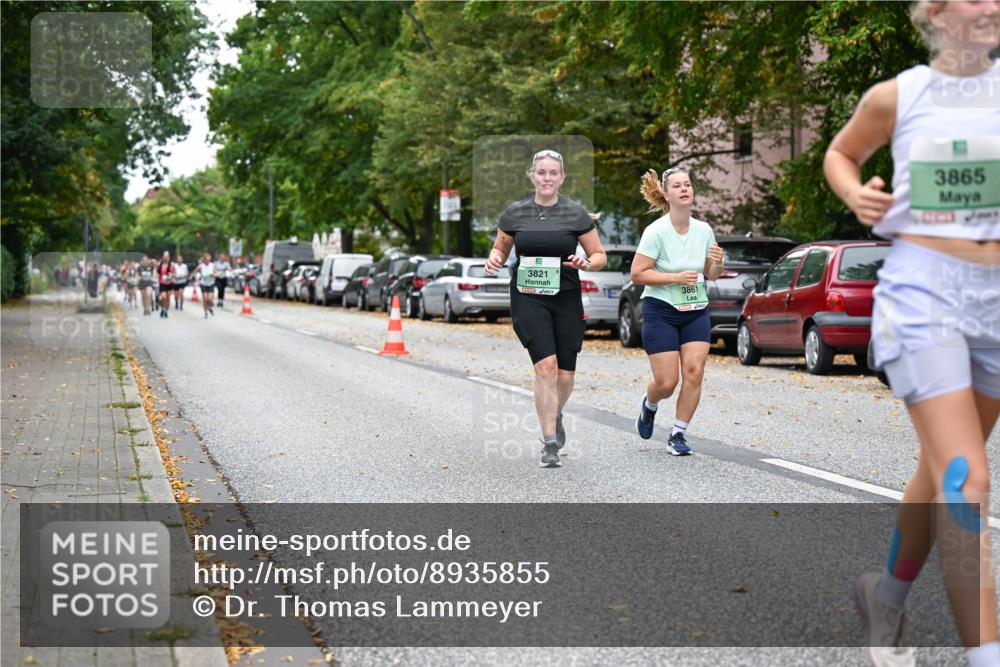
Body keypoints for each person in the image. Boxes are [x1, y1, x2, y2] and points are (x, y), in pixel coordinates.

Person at [824, 2, 1000, 666]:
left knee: (942, 469)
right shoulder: (898, 94)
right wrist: (855, 194)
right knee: (967, 475)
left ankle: (887, 595)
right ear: (934, 11)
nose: (989, 5)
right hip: (924, 288)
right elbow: (841, 153)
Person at [485, 149, 607, 468]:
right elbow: (501, 247)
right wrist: (495, 258)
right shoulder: (514, 213)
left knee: (565, 376)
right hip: (528, 296)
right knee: (546, 368)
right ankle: (549, 442)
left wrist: (587, 262)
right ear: (532, 176)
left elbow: (599, 256)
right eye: (542, 172)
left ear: (562, 178)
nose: (548, 178)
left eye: (554, 173)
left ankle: (556, 412)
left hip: (566, 295)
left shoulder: (575, 214)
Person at [630, 168, 724, 456]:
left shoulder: (704, 230)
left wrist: (717, 263)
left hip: (696, 308)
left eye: (688, 184)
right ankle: (650, 404)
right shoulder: (656, 232)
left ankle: (678, 434)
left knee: (694, 372)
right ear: (667, 194)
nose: (684, 189)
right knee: (667, 382)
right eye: (677, 186)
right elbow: (637, 274)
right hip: (662, 310)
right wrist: (674, 278)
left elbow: (711, 274)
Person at [194, 254, 216, 318]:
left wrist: (213, 276)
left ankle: (209, 307)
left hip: (211, 283)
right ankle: (206, 312)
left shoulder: (212, 265)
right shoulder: (201, 266)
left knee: (209, 299)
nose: (208, 261)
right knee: (205, 299)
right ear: (204, 260)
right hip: (203, 284)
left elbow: (215, 273)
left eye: (209, 260)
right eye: (206, 260)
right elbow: (195, 272)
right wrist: (197, 279)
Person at [156, 251, 174, 318]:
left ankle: (166, 311)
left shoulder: (172, 265)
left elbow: (175, 274)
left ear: (169, 258)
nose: (165, 258)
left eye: (166, 257)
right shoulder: (159, 265)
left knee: (168, 298)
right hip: (162, 283)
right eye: (164, 257)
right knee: (163, 297)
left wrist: (171, 275)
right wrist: (157, 276)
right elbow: (156, 273)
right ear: (162, 258)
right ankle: (163, 308)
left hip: (169, 283)